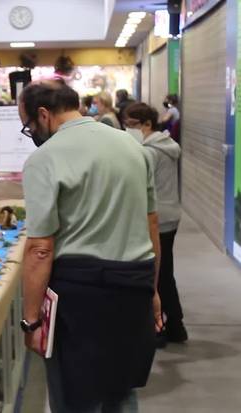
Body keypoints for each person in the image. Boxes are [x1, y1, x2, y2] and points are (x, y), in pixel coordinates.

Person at [19, 81, 162, 412]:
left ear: (43, 114)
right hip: (134, 284)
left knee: (75, 398)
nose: (32, 134)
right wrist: (153, 290)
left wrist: (31, 321)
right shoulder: (133, 146)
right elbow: (151, 224)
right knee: (121, 390)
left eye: (28, 126)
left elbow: (40, 247)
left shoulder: (45, 158)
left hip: (79, 294)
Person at [124, 102, 186, 346]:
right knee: (165, 273)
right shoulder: (167, 146)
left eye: (131, 125)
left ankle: (162, 328)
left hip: (158, 217)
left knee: (158, 275)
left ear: (147, 124)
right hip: (172, 214)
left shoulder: (148, 151)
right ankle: (175, 326)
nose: (128, 130)